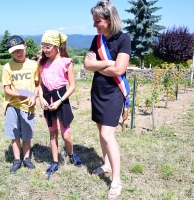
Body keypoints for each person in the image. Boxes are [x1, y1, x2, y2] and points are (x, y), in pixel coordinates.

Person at [84, 1, 131, 199]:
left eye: (98, 21)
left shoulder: (124, 39)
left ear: (110, 20)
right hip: (98, 91)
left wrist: (98, 65)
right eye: (94, 21)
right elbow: (87, 64)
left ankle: (117, 181)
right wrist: (108, 63)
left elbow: (119, 70)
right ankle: (107, 165)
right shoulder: (97, 39)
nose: (95, 25)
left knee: (107, 134)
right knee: (100, 131)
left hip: (114, 93)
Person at [38, 30, 83, 177]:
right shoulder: (41, 63)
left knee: (66, 135)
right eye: (43, 46)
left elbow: (72, 86)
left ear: (56, 46)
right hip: (47, 98)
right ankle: (55, 161)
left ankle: (71, 154)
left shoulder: (66, 62)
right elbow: (38, 84)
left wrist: (59, 101)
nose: (44, 50)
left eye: (48, 47)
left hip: (61, 99)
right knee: (52, 133)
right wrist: (41, 98)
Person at [2, 35, 39, 174]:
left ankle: (27, 158)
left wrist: (34, 96)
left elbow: (37, 84)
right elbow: (6, 88)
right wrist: (18, 95)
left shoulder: (34, 65)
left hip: (28, 105)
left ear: (25, 46)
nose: (18, 53)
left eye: (20, 49)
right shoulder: (8, 67)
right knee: (14, 133)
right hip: (12, 104)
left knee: (27, 133)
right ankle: (17, 160)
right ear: (11, 52)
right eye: (14, 51)